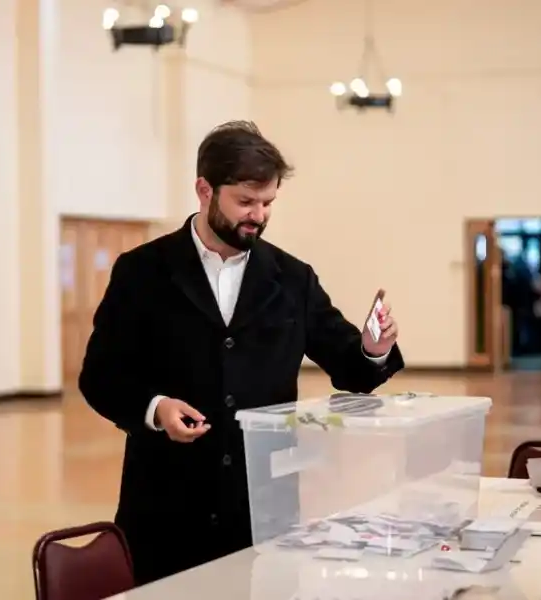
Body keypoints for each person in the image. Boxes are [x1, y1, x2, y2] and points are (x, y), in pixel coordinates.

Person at [79, 120, 405, 586]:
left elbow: (351, 368)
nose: (259, 215)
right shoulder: (142, 272)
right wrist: (155, 408)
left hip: (264, 508)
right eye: (246, 202)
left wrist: (373, 349)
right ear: (204, 190)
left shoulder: (293, 278)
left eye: (268, 203)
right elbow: (101, 376)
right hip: (166, 508)